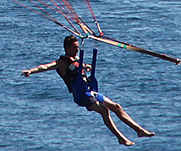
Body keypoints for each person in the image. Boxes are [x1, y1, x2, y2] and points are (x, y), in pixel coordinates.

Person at [22, 35, 156, 145]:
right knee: (104, 110)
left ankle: (139, 130)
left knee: (117, 107)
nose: (76, 50)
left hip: (90, 90)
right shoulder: (61, 62)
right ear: (67, 48)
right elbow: (44, 67)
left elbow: (80, 66)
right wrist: (30, 71)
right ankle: (121, 138)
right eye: (74, 48)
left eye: (77, 48)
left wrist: (86, 67)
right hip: (81, 95)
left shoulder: (76, 59)